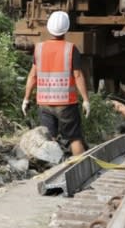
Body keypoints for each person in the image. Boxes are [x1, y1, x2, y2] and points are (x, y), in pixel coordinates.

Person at [21, 11, 91, 156]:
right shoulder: (71, 49)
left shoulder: (39, 48)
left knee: (49, 139)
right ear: (66, 29)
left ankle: (53, 169)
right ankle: (81, 168)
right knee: (74, 138)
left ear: (48, 28)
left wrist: (26, 98)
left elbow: (33, 75)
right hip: (66, 104)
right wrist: (85, 100)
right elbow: (77, 75)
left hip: (44, 103)